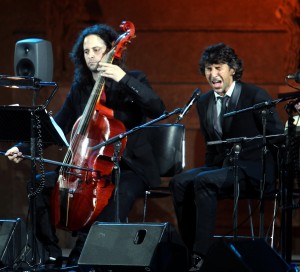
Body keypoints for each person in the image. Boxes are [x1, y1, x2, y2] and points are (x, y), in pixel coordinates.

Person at [5, 24, 166, 267]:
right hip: (86, 169)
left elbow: (157, 108)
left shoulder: (132, 81)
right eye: (86, 50)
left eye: (97, 49)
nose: (91, 55)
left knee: (113, 201)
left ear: (111, 50)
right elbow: (56, 127)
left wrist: (122, 78)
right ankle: (51, 254)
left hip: (129, 167)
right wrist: (22, 148)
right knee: (38, 185)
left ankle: (83, 259)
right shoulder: (81, 89)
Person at [169, 43, 284, 271]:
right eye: (208, 69)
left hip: (253, 169)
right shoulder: (204, 102)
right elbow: (212, 146)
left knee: (204, 180)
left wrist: (277, 174)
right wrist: (210, 168)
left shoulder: (254, 95)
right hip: (224, 168)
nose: (213, 74)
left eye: (218, 67)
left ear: (232, 70)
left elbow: (277, 136)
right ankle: (190, 249)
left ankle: (200, 257)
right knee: (179, 182)